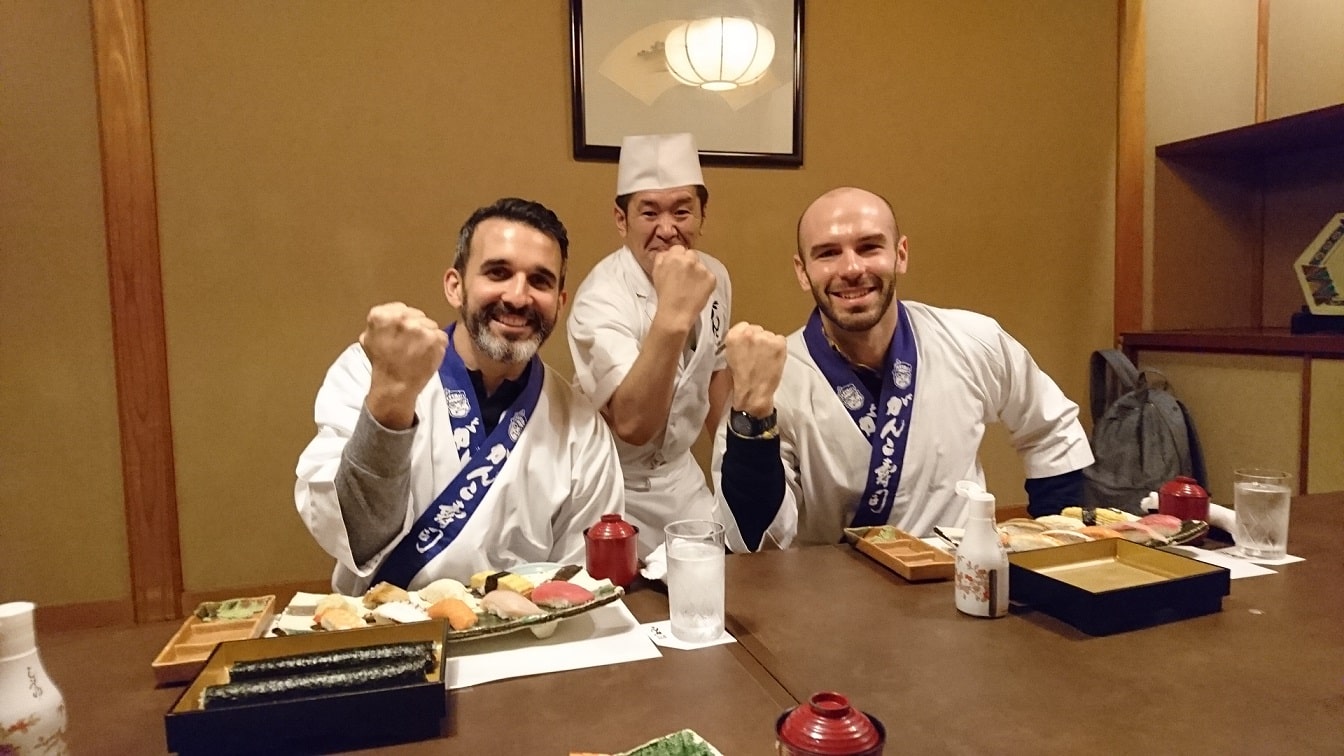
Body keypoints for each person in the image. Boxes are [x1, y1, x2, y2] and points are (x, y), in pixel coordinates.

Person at [713, 186, 1094, 552]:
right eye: (828, 253)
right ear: (802, 271)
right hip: (831, 597)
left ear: (901, 254)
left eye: (869, 247)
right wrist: (753, 415)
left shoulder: (973, 340)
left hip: (959, 581)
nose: (851, 268)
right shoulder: (775, 381)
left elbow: (1051, 430)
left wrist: (1054, 547)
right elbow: (753, 541)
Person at [295, 197, 624, 593]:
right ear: (456, 286)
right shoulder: (371, 370)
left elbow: (579, 581)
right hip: (385, 631)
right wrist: (391, 399)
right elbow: (353, 534)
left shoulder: (580, 425)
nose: (518, 297)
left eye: (540, 281)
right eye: (498, 272)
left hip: (523, 639)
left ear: (560, 302)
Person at [567, 133, 732, 557]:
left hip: (684, 479)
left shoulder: (714, 275)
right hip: (616, 488)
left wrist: (732, 472)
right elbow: (633, 425)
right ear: (621, 220)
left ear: (702, 215)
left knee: (716, 587)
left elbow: (715, 372)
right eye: (649, 212)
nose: (667, 229)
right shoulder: (600, 299)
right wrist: (674, 312)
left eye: (682, 211)